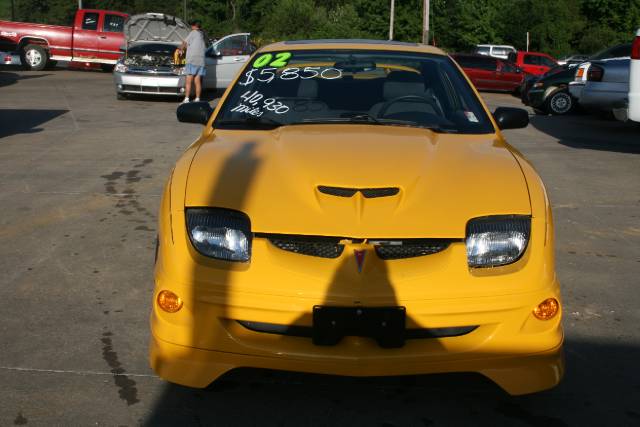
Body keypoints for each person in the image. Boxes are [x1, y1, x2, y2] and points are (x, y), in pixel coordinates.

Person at [181, 20, 206, 103]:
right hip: (201, 61)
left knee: (188, 81)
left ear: (194, 26)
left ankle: (186, 99)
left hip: (192, 60)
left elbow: (184, 42)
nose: (191, 27)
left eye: (192, 25)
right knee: (197, 81)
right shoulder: (202, 34)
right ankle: (197, 98)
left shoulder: (193, 32)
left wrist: (179, 50)